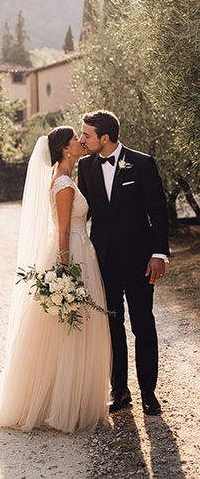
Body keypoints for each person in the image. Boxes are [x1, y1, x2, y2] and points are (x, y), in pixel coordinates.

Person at [0, 127, 111, 433]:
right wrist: (66, 270)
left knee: (69, 327)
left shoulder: (66, 178)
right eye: (75, 140)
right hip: (72, 253)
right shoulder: (63, 184)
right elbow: (64, 231)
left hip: (80, 249)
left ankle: (70, 398)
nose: (80, 142)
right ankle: (62, 403)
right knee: (69, 327)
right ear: (65, 149)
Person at [78, 110, 168, 416]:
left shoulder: (142, 164)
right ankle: (120, 391)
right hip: (103, 262)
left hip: (140, 260)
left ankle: (148, 392)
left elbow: (158, 213)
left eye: (86, 135)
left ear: (105, 137)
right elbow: (83, 213)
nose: (81, 139)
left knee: (143, 324)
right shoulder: (85, 166)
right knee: (112, 325)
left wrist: (159, 254)